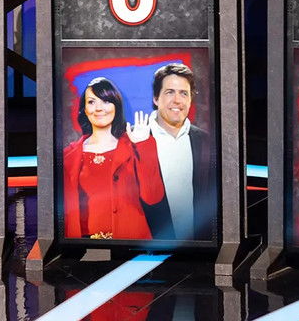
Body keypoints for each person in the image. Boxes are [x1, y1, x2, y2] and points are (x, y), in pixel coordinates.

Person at [62, 78, 166, 239]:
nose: (99, 108)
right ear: (84, 109)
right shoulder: (68, 156)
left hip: (129, 244)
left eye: (106, 101)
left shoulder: (134, 146)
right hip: (84, 247)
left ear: (116, 106)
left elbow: (153, 197)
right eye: (91, 102)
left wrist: (143, 145)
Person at [143, 63, 215, 240]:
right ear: (155, 98)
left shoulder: (207, 142)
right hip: (148, 249)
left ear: (190, 99)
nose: (177, 100)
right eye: (170, 92)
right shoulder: (135, 141)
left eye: (184, 93)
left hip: (198, 247)